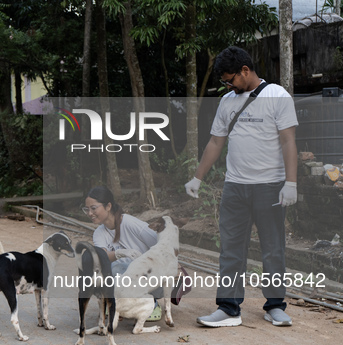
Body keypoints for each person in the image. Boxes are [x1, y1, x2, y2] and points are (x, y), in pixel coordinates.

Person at [184, 46, 298, 328]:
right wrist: (197, 177)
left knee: (273, 250)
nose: (227, 85)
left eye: (230, 79)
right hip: (235, 187)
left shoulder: (278, 96)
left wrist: (291, 183)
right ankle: (228, 307)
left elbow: (288, 141)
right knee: (231, 249)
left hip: (270, 187)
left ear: (245, 71)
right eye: (224, 81)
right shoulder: (226, 102)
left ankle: (274, 306)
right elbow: (215, 142)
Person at [83, 185, 161, 320]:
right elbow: (102, 258)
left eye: (93, 208)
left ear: (108, 206)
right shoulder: (99, 233)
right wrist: (120, 253)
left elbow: (161, 246)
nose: (90, 213)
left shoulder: (130, 223)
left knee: (118, 267)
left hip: (153, 278)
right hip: (130, 279)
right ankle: (117, 303)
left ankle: (152, 304)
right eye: (87, 209)